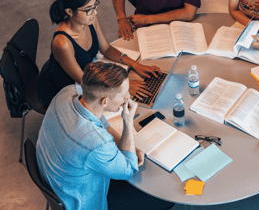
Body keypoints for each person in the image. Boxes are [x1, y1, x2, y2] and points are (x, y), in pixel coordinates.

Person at [36, 62, 175, 210]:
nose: (128, 97)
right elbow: (129, 169)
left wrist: (122, 143)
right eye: (123, 95)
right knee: (166, 198)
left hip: (55, 180)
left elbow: (100, 120)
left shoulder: (67, 92)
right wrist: (128, 122)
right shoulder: (96, 142)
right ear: (105, 101)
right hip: (80, 201)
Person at [37, 0, 159, 109]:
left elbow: (106, 49)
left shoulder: (90, 19)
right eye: (89, 9)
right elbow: (84, 81)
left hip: (88, 74)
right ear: (69, 12)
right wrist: (124, 86)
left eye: (95, 6)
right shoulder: (62, 43)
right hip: (63, 89)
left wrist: (134, 64)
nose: (95, 12)